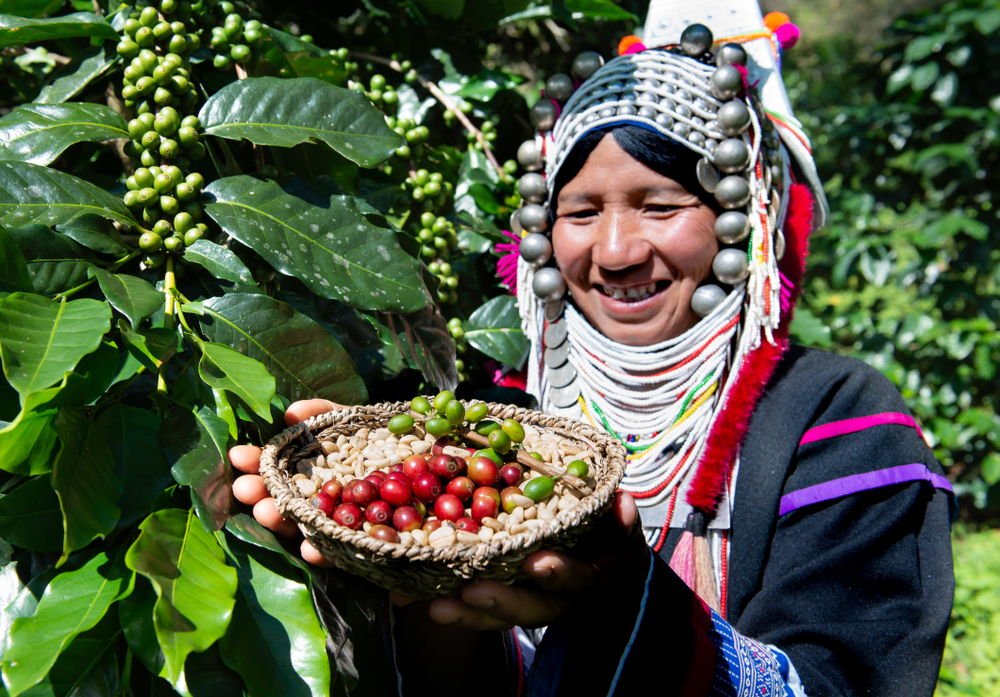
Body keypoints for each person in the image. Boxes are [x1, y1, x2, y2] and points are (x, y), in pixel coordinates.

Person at [229, 17, 955, 697]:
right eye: (580, 212)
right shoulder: (497, 423)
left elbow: (850, 678)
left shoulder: (835, 419)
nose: (615, 252)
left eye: (662, 205)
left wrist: (631, 599)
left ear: (743, 219)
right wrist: (401, 570)